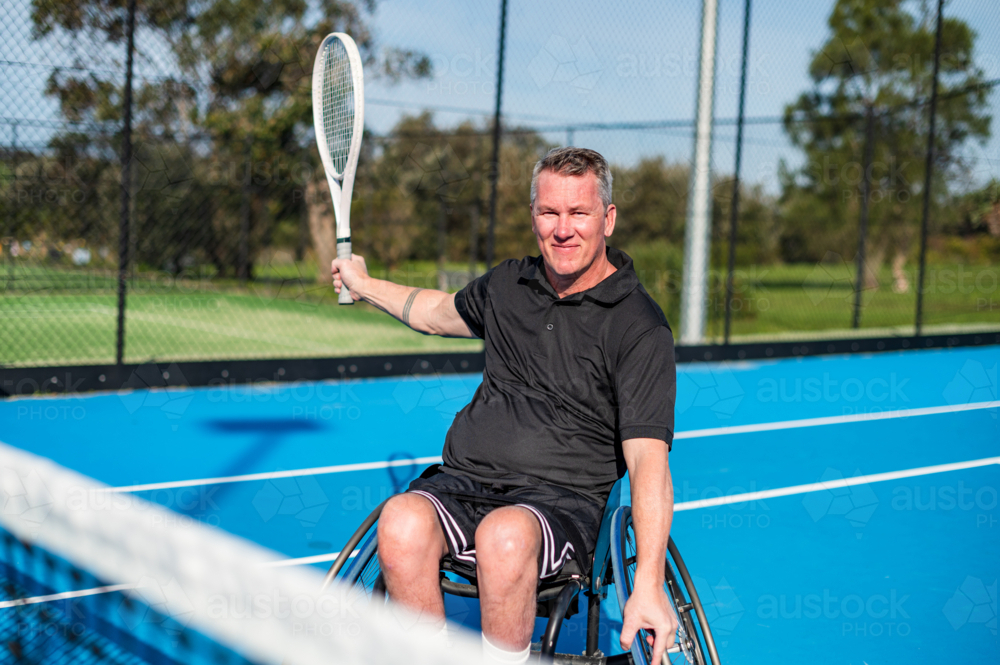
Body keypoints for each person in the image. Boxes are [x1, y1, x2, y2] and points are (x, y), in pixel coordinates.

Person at [331, 147, 677, 664]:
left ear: (607, 219)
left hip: (559, 502)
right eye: (548, 213)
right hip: (464, 482)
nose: (562, 229)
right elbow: (434, 312)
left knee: (504, 534)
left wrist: (647, 582)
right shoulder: (509, 284)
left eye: (578, 213)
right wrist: (363, 284)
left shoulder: (639, 325)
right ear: (533, 215)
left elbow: (648, 459)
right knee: (399, 519)